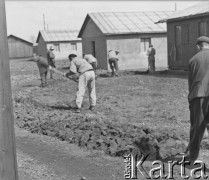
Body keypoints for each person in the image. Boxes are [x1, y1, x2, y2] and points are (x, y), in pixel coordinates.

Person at [185, 36, 209, 163]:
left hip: (198, 95)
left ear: (198, 46)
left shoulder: (193, 60)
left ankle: (192, 157)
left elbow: (191, 82)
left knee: (197, 127)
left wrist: (190, 99)